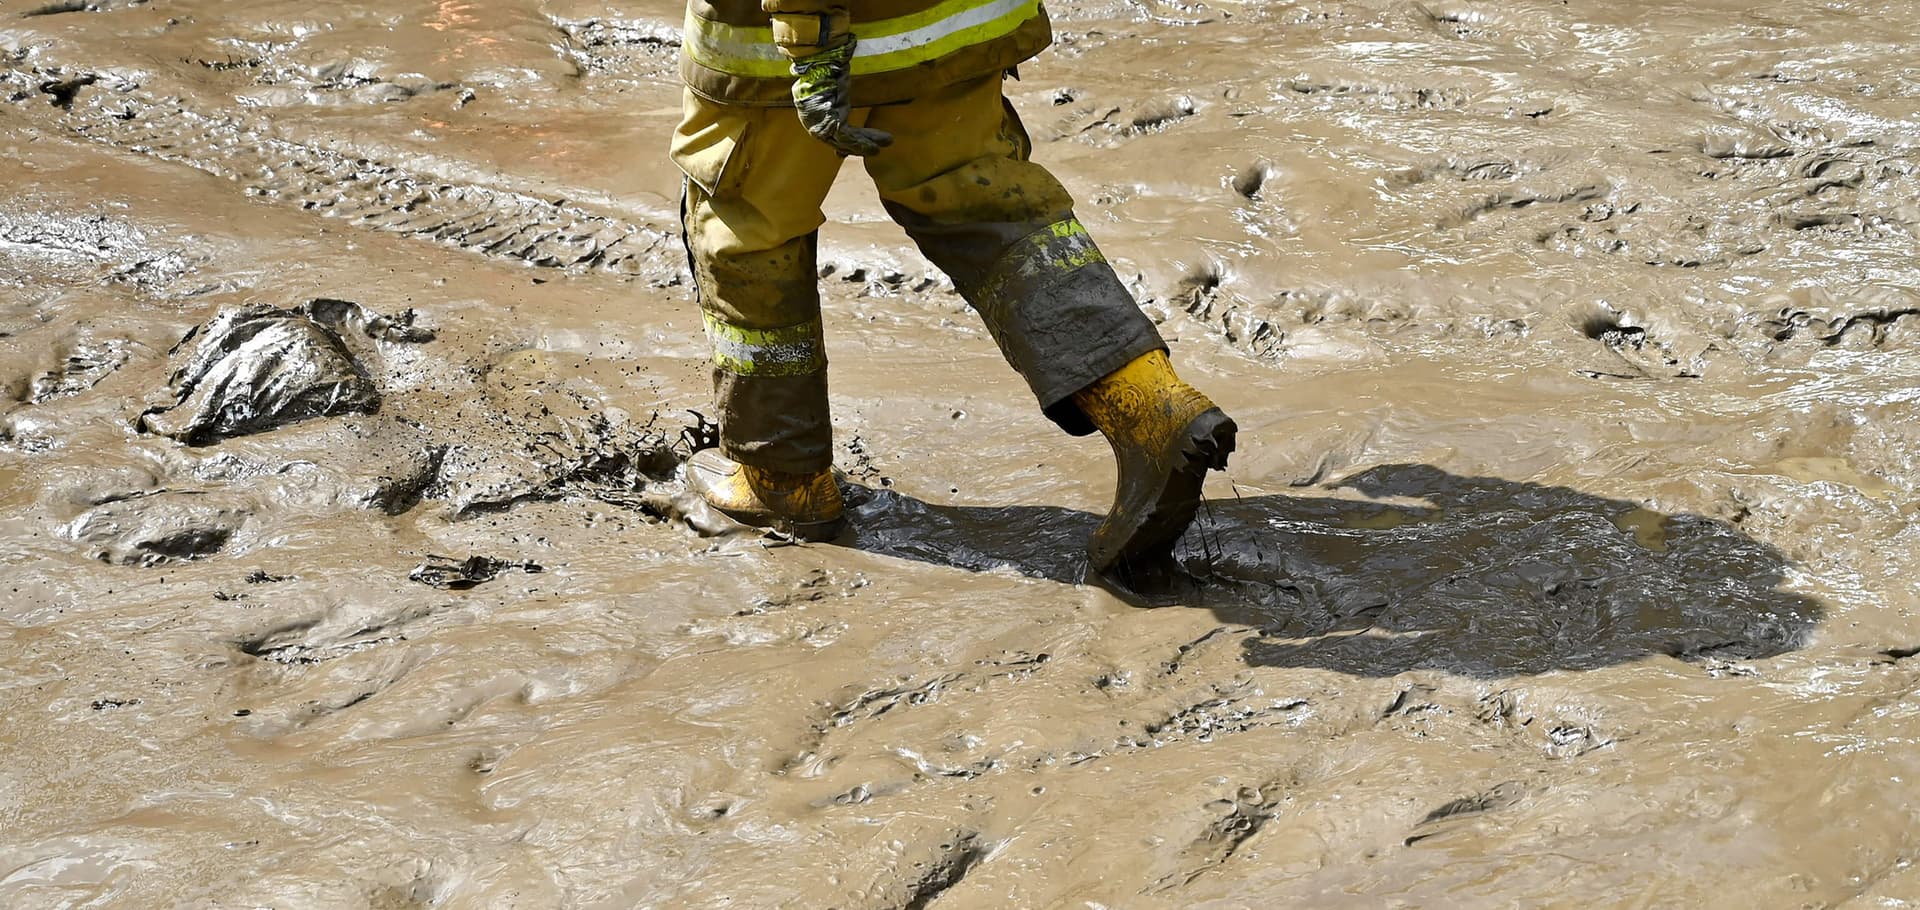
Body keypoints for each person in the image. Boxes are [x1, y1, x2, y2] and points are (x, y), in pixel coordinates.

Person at [671, 0, 1236, 579]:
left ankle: (781, 479)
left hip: (802, 41)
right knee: (986, 204)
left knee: (746, 232)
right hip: (953, 23)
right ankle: (1150, 408)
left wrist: (813, 52)